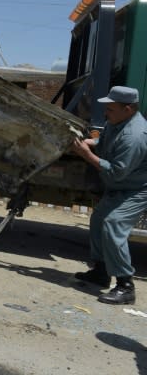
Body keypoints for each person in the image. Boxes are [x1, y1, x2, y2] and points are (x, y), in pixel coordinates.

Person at [70, 86, 147, 304]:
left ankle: (125, 286)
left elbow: (116, 172)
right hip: (121, 187)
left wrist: (86, 155)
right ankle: (101, 272)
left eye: (111, 109)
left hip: (136, 190)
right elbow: (104, 140)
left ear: (128, 109)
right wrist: (90, 143)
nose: (106, 113)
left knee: (113, 224)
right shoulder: (118, 122)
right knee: (98, 219)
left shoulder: (136, 136)